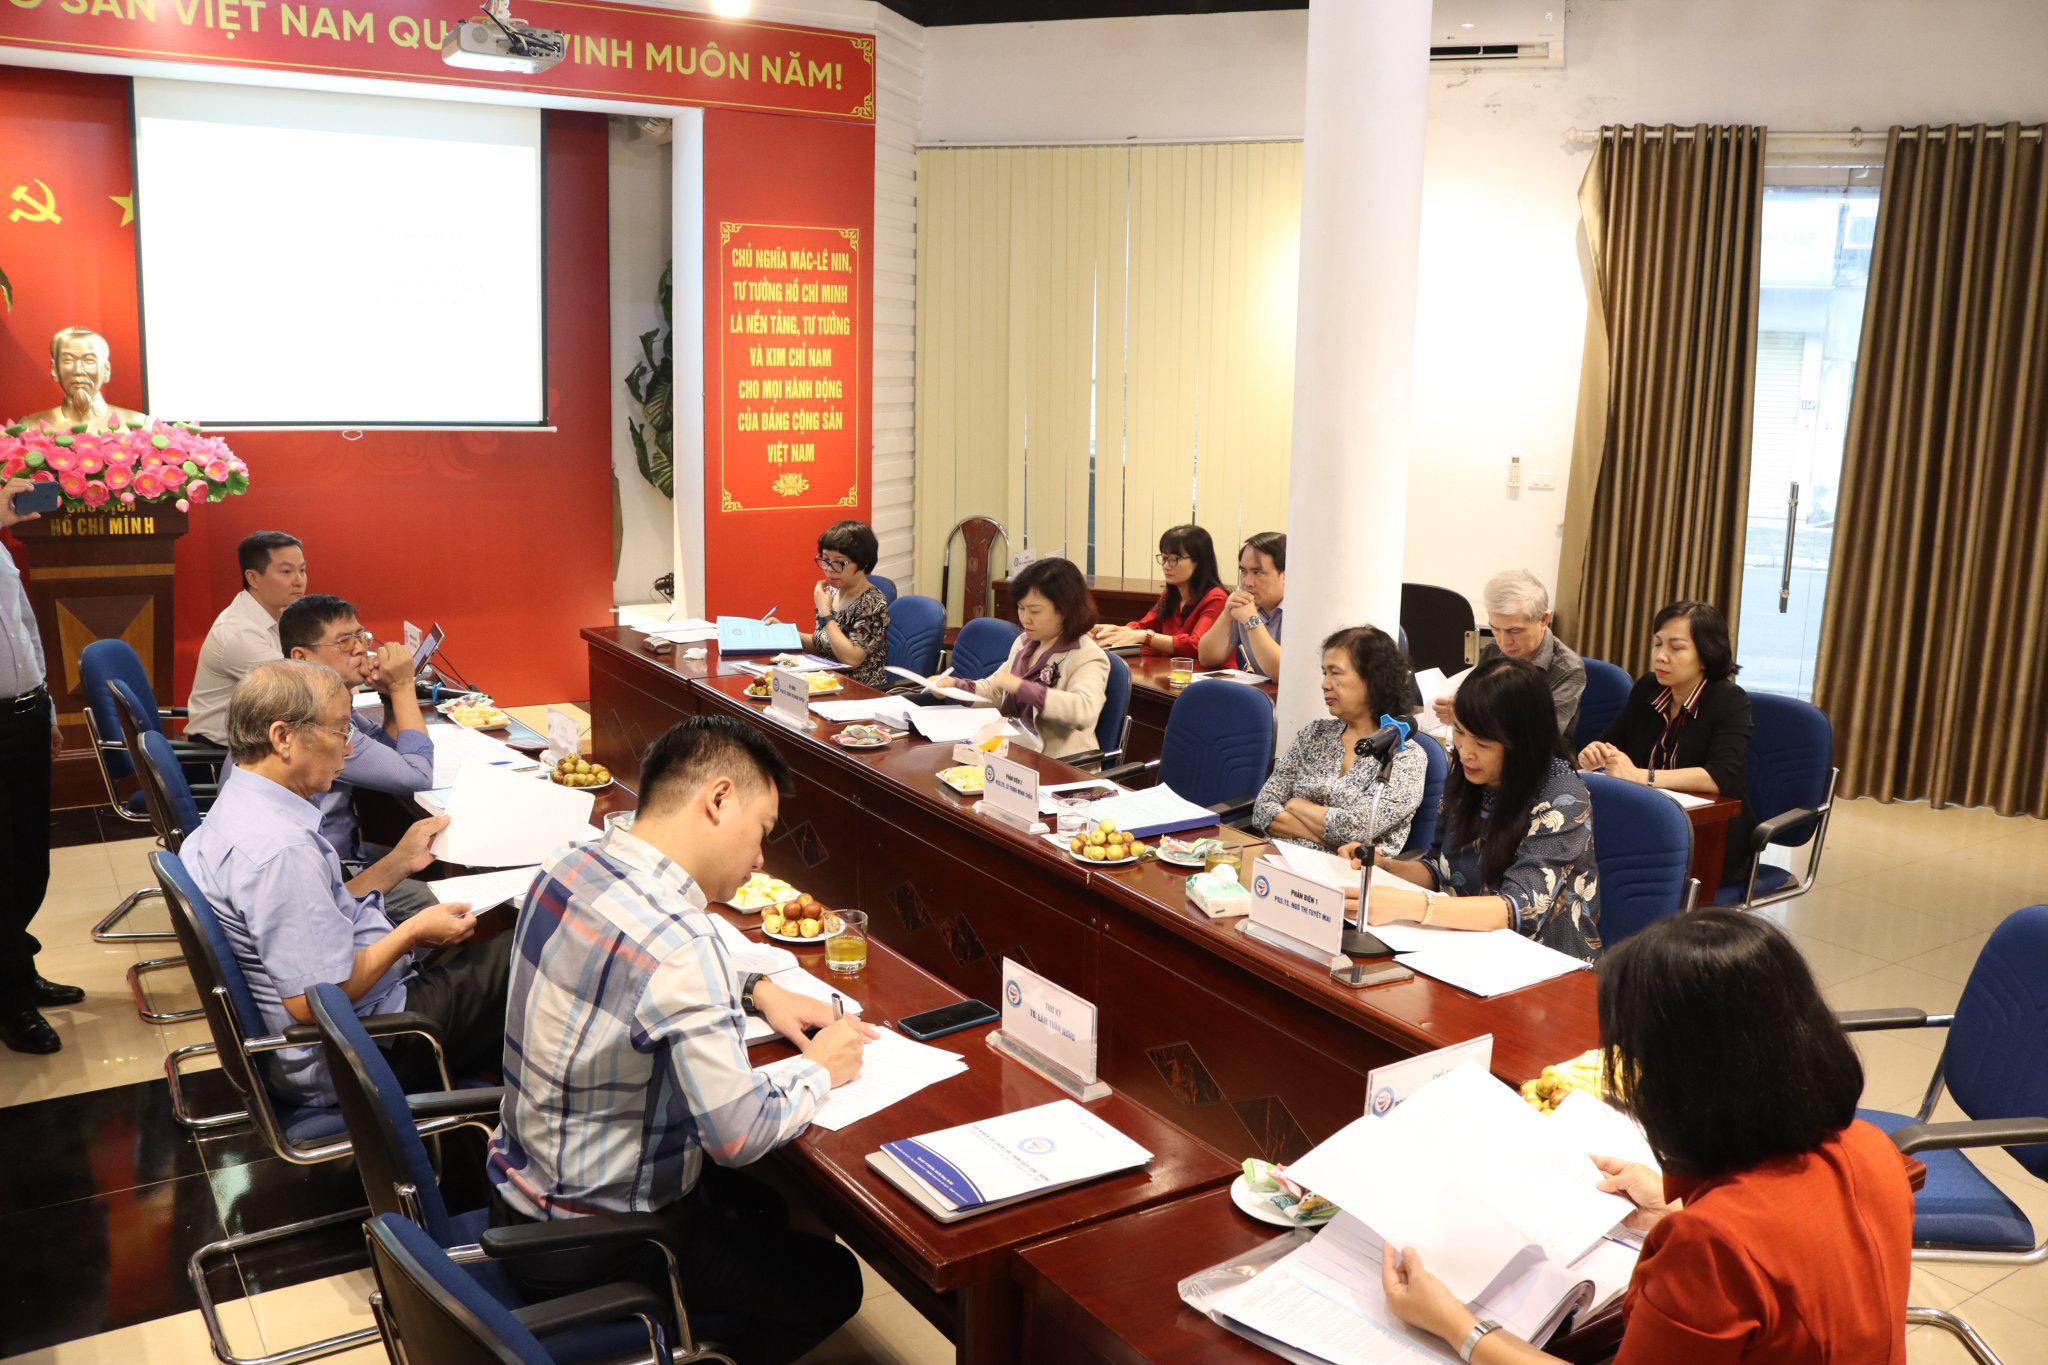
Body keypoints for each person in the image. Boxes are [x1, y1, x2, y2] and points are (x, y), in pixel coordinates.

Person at [487, 716, 875, 1364]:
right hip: (603, 1247)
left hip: (516, 1200)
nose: (760, 858)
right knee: (832, 1280)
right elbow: (737, 1135)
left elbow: (634, 963)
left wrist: (755, 987)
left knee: (764, 1206)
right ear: (718, 799)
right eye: (762, 831)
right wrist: (821, 1066)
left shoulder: (570, 861)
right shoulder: (683, 945)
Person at [1381, 910, 1912, 1364]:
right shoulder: (1871, 1148)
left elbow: (1743, 1254)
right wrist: (1674, 1207)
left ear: (1689, 1082)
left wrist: (1459, 1326)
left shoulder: (1709, 1247)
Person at [180, 660, 510, 1104]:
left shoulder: (239, 805)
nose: (349, 748)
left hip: (359, 1018)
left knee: (478, 948)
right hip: (364, 1049)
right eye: (340, 731)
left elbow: (316, 910)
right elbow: (314, 1001)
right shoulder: (281, 851)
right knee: (525, 944)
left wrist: (399, 862)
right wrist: (412, 933)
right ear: (282, 737)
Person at [1352, 655, 1602, 961]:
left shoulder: (1563, 797)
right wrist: (1386, 868)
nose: (1466, 752)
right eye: (1459, 732)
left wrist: (1416, 906)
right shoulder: (1470, 778)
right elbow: (1440, 869)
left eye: (1482, 743)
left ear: (1522, 742)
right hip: (1468, 945)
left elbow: (1521, 909)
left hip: (1545, 963)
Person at [274, 594, 438, 918]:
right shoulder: (313, 720)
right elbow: (417, 776)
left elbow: (386, 751)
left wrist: (389, 695)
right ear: (301, 656)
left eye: (361, 636)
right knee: (449, 899)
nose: (360, 648)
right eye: (344, 641)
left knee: (437, 859)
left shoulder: (314, 696)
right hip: (326, 878)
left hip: (339, 854)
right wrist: (403, 685)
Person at [1577, 600, 1753, 886]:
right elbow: (1610, 741)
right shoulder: (1648, 688)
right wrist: (1594, 753)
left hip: (1708, 834)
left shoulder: (1730, 700)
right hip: (1645, 819)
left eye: (1676, 648)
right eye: (1657, 644)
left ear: (1706, 655)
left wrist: (1640, 776)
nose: (1661, 656)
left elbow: (1719, 776)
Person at [0, 478, 79, 1054]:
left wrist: (45, 705)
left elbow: (25, 627)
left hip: (24, 716)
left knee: (29, 860)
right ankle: (9, 1004)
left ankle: (18, 968)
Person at [1251, 626, 1426, 856]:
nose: (1325, 684)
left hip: (1348, 871)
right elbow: (1263, 808)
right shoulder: (1314, 734)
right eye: (1324, 673)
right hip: (1279, 858)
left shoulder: (1405, 755)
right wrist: (1330, 842)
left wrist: (1295, 805)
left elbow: (1358, 828)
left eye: (1335, 673)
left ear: (1373, 679)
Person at [928, 555, 1111, 761]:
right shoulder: (1024, 642)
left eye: (1035, 611)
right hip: (1014, 753)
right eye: (1021, 608)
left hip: (1060, 764)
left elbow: (1084, 710)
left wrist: (1024, 688)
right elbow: (995, 689)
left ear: (1065, 609)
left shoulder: (1087, 655)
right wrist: (955, 686)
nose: (1025, 619)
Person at [185, 530, 307, 744]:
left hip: (262, 738)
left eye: (302, 570)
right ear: (253, 578)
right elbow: (301, 689)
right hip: (222, 753)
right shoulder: (238, 633)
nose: (299, 581)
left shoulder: (281, 612)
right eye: (287, 571)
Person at [1433, 570, 1585, 738]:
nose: (1504, 642)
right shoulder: (1493, 649)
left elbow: (1542, 736)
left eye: (1514, 631)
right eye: (1495, 629)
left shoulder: (1568, 669)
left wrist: (1468, 717)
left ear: (1543, 620)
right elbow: (1475, 699)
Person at [1091, 523, 1228, 657]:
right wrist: (1117, 630)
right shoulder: (1172, 593)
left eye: (1174, 559)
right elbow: (1145, 626)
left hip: (1205, 671)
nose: (1166, 566)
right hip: (1172, 669)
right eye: (1164, 558)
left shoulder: (1216, 598)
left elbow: (1196, 646)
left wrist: (1146, 637)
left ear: (1199, 562)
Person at [17, 326, 149, 435]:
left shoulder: (141, 425)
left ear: (106, 369)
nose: (79, 370)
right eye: (68, 360)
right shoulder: (31, 427)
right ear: (54, 369)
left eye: (89, 360)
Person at [809, 519, 890, 689]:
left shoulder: (873, 602)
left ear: (862, 563)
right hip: (827, 683)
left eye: (839, 563)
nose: (829, 569)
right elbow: (825, 645)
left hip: (860, 690)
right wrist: (786, 634)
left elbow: (851, 659)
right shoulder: (831, 592)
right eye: (825, 560)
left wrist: (825, 613)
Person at [1197, 531, 1286, 679]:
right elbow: (1207, 658)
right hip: (1260, 691)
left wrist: (1252, 621)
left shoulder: (1303, 612)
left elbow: (1282, 673)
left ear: (1285, 575)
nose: (1247, 582)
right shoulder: (1246, 606)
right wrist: (1227, 614)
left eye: (1257, 572)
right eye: (1243, 571)